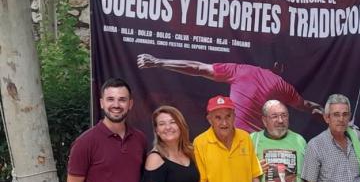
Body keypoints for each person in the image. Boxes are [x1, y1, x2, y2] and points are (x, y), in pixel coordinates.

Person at [137, 54, 323, 132]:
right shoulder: (282, 85)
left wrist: (158, 62)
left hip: (232, 141)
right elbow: (307, 106)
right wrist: (327, 113)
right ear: (279, 67)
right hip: (255, 147)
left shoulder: (240, 70)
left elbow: (198, 67)